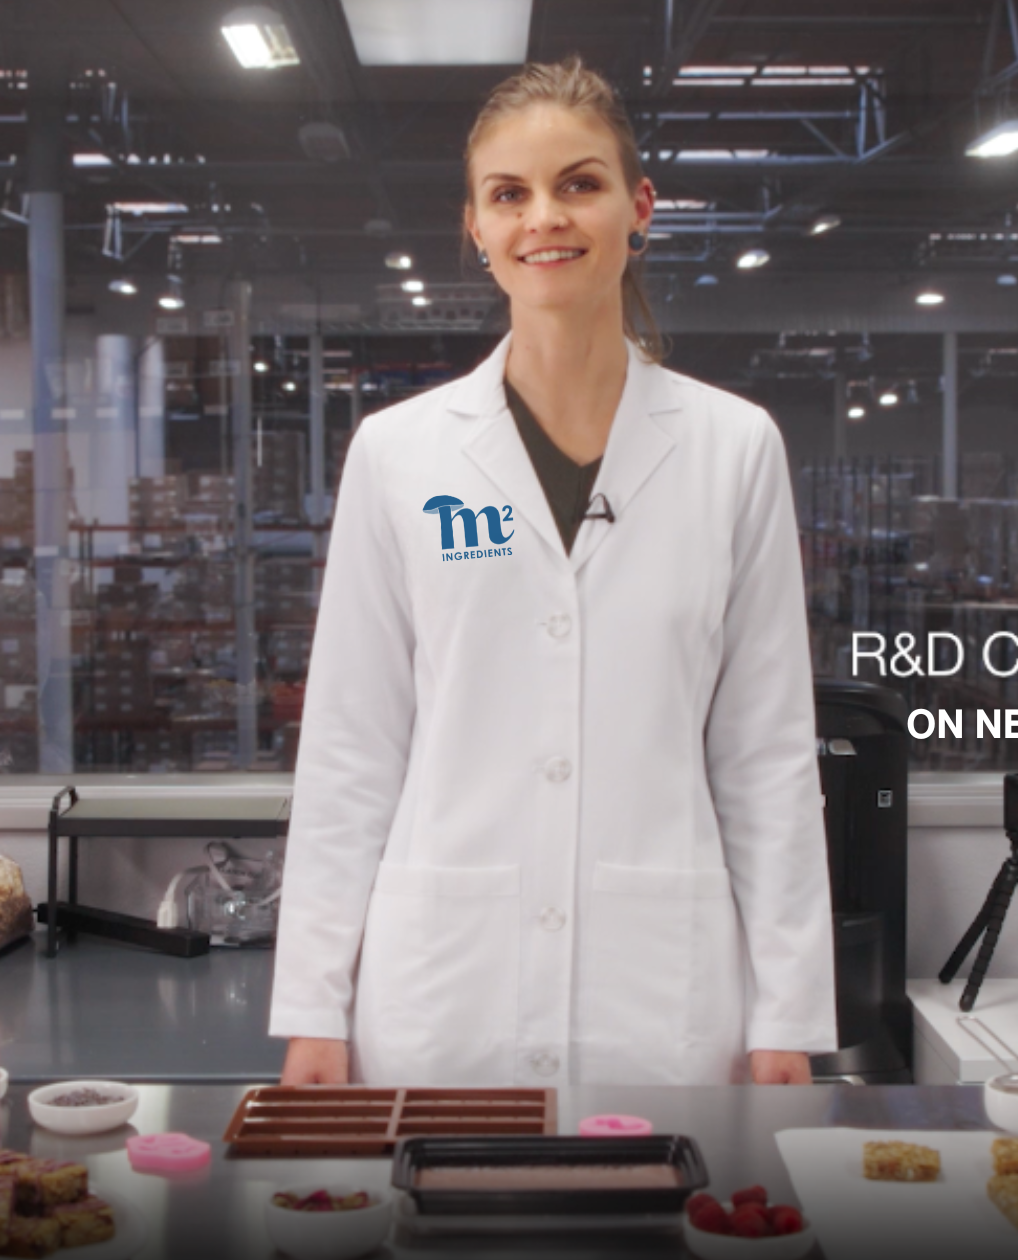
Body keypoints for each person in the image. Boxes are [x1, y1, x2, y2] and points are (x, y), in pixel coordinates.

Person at [268, 57, 834, 1087]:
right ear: (475, 229)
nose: (545, 218)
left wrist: (784, 1017)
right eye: (508, 194)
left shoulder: (731, 447)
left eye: (578, 183)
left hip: (657, 995)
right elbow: (351, 744)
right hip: (445, 988)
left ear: (638, 206)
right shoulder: (399, 455)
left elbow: (765, 756)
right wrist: (314, 1002)